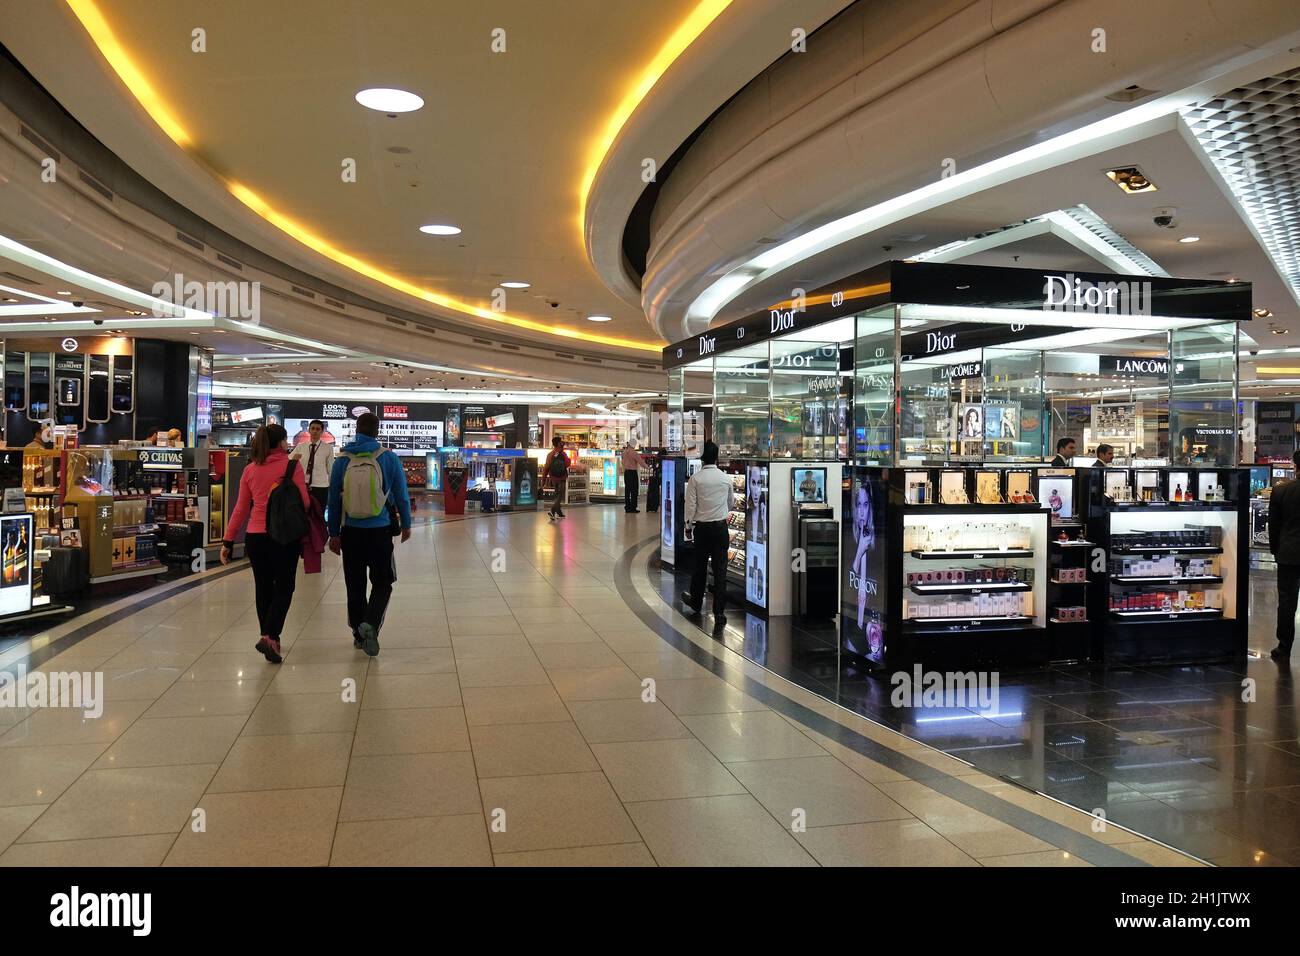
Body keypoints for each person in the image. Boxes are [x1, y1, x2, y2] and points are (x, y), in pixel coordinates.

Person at [220, 423, 310, 664]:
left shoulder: (250, 469)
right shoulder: (293, 466)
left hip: (255, 537)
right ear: (281, 443)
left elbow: (240, 508)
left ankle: (270, 638)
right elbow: (304, 502)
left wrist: (228, 540)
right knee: (284, 587)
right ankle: (270, 636)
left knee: (263, 588)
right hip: (283, 537)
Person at [327, 412, 413, 657]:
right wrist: (406, 525)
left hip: (350, 533)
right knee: (383, 583)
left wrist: (333, 533)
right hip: (380, 532)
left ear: (357, 429)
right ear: (377, 431)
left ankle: (357, 634)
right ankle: (370, 625)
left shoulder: (342, 460)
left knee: (354, 585)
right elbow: (402, 495)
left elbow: (334, 501)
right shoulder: (388, 458)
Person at [681, 441, 731, 627]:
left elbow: (690, 506)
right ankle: (719, 612)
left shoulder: (696, 479)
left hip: (702, 528)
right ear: (717, 457)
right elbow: (731, 503)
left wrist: (688, 526)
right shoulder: (726, 479)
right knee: (720, 570)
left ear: (702, 458)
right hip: (720, 529)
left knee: (700, 566)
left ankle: (695, 602)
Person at [1268, 448, 1300, 660]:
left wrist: (1275, 550)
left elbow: (1274, 525)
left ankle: (1284, 647)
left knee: (1287, 601)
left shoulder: (1281, 491)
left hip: (1289, 553)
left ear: (1296, 467)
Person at [291, 419, 335, 513]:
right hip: (302, 486)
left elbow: (330, 469)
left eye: (318, 429)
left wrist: (332, 487)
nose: (315, 431)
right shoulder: (300, 446)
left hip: (320, 487)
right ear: (309, 430)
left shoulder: (328, 448)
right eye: (313, 428)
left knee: (318, 515)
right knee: (301, 515)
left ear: (322, 431)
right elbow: (290, 461)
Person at [542, 436, 569, 519]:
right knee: (560, 496)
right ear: (559, 443)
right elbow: (568, 464)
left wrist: (543, 480)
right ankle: (552, 510)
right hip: (562, 477)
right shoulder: (562, 453)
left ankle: (559, 512)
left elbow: (546, 468)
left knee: (557, 494)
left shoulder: (550, 455)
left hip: (553, 478)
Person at [621, 440, 643, 513]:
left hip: (626, 473)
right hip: (633, 473)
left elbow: (622, 461)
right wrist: (648, 467)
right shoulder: (634, 453)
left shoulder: (624, 453)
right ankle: (633, 507)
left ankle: (627, 507)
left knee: (627, 490)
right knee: (634, 491)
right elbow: (641, 462)